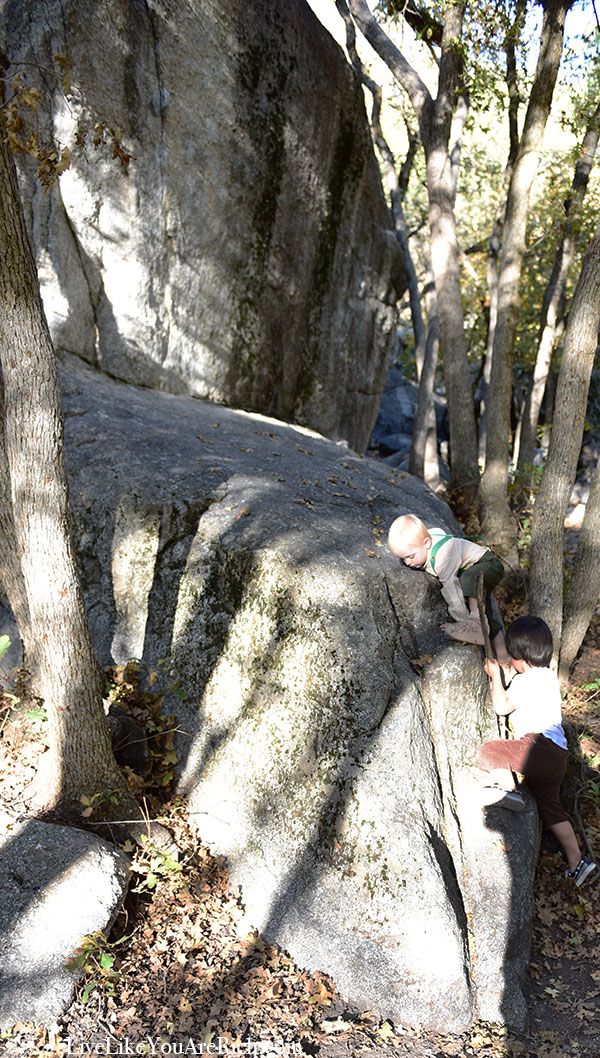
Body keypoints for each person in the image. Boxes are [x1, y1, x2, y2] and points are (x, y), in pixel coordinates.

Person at [479, 615, 596, 887]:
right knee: (552, 812)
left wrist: (496, 676)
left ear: (520, 657)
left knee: (489, 751)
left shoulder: (526, 680)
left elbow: (501, 707)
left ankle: (509, 790)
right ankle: (578, 862)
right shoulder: (547, 677)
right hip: (558, 755)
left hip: (538, 747)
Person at [387, 513, 509, 665]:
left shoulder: (443, 556)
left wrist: (462, 621)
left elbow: (452, 590)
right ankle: (504, 659)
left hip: (488, 564)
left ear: (426, 543)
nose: (408, 562)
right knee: (488, 616)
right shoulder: (425, 543)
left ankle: (474, 623)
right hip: (478, 571)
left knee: (470, 578)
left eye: (411, 556)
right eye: (403, 558)